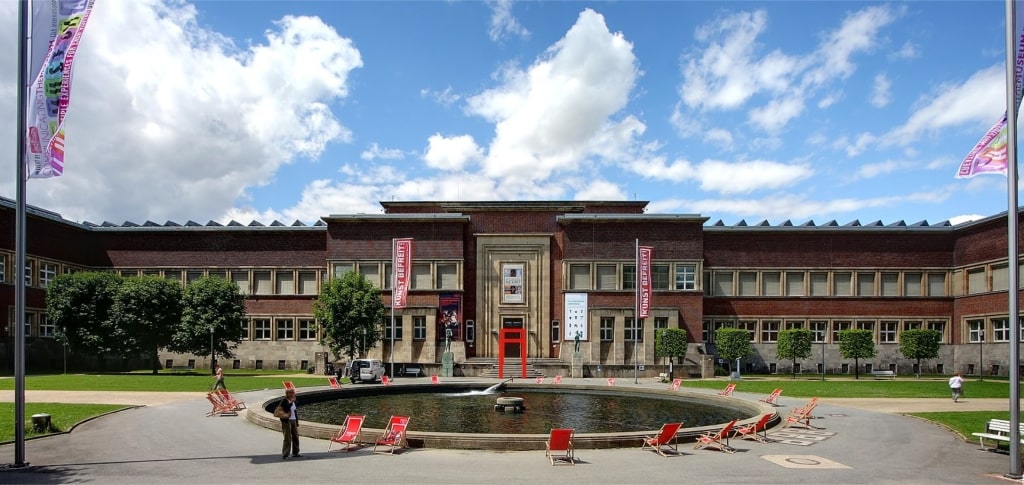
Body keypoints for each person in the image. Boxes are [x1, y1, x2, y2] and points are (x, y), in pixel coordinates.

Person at [277, 388, 301, 459]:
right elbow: (286, 409)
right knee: (287, 438)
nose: (293, 394)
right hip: (286, 421)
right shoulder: (284, 401)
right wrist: (291, 403)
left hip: (293, 420)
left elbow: (295, 411)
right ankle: (285, 454)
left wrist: (297, 421)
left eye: (293, 392)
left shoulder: (293, 401)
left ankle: (295, 452)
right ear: (287, 394)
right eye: (292, 392)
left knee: (296, 436)